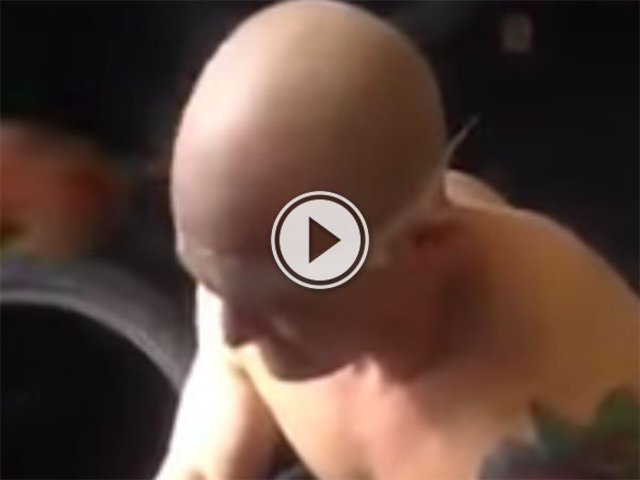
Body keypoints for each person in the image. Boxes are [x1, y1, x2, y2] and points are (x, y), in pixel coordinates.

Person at [157, 1, 639, 479]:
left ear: (429, 246)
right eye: (212, 282)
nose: (233, 331)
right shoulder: (261, 265)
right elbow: (214, 413)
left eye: (283, 302)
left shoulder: (555, 427)